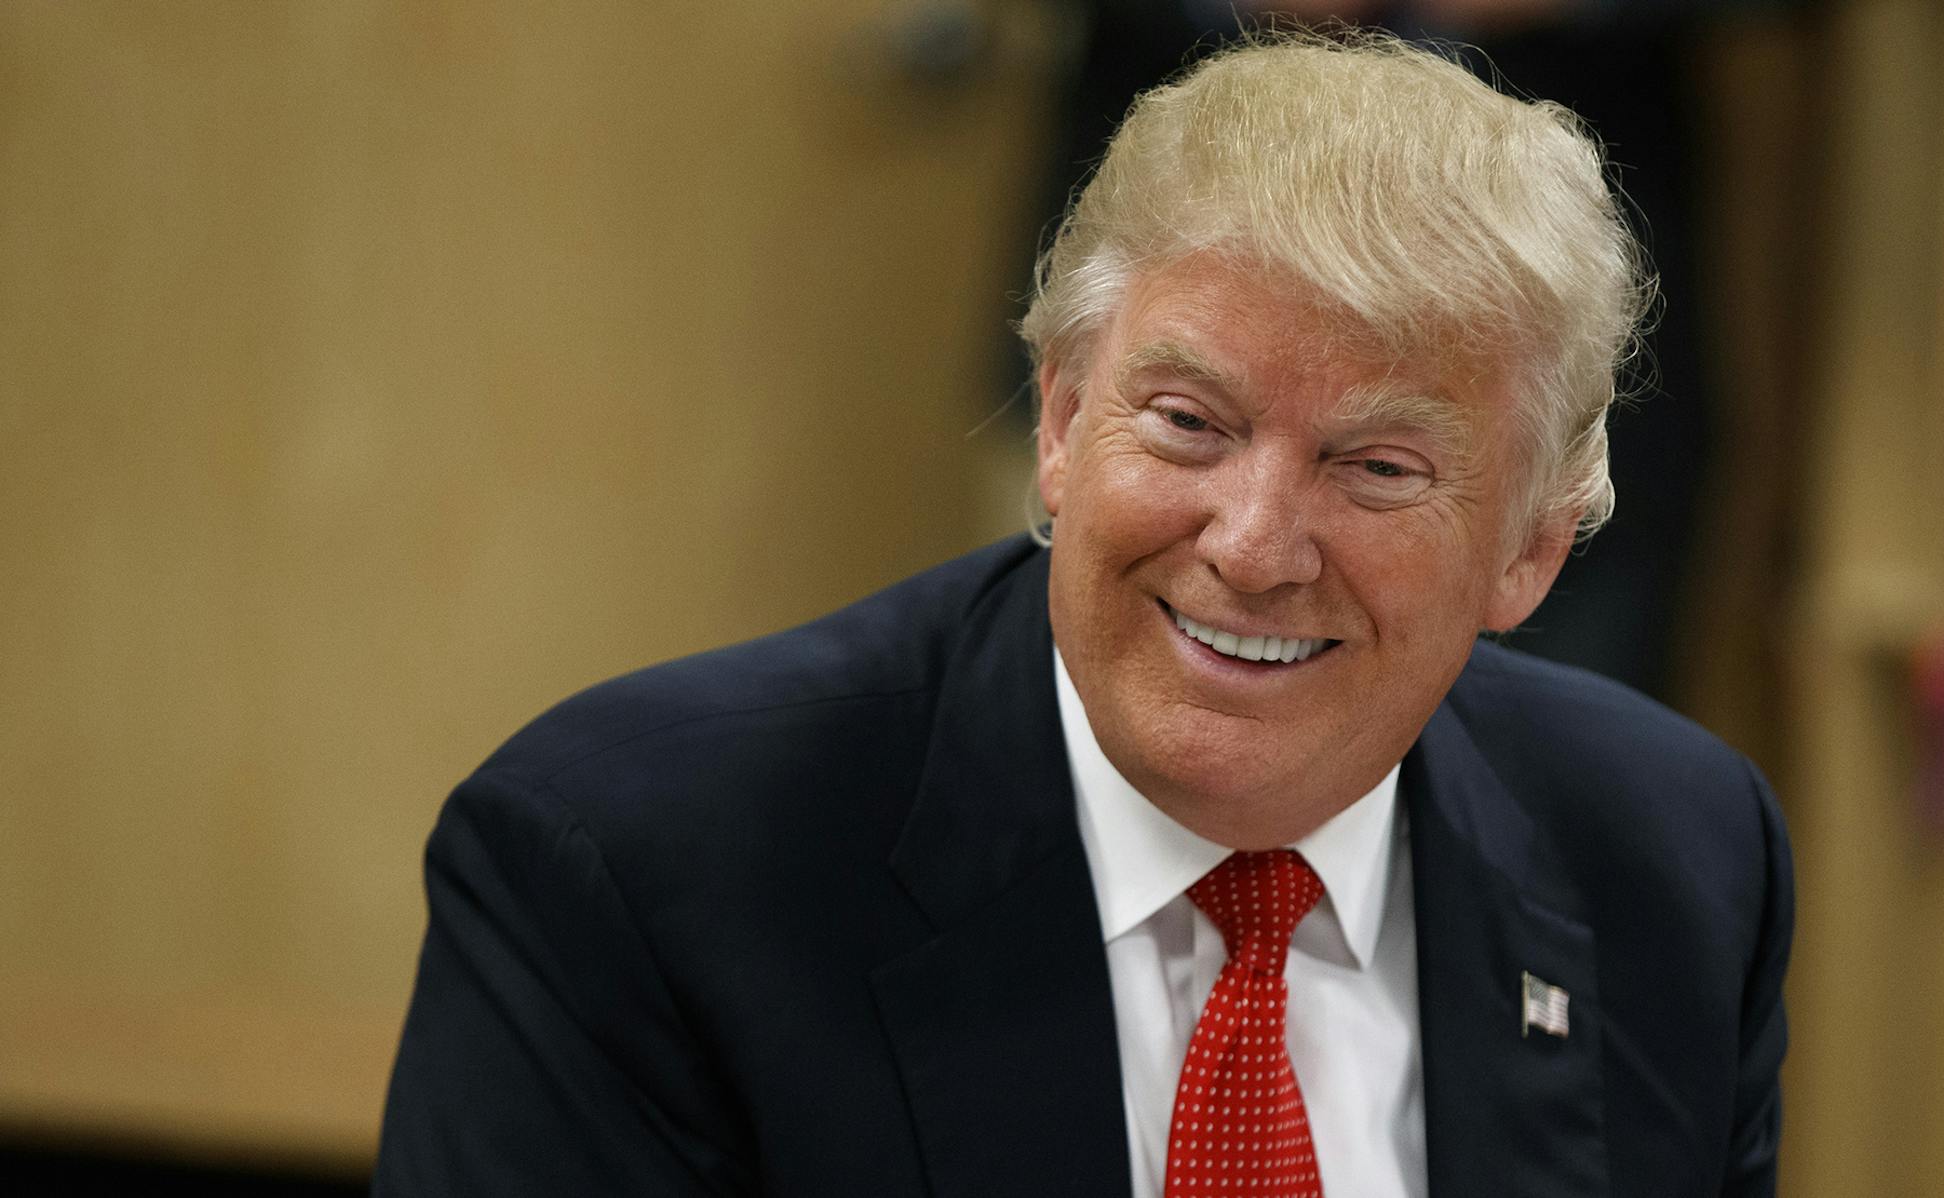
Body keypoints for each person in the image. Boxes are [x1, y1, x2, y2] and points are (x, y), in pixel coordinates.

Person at [374, 30, 1791, 1198]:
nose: (1250, 545)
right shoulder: (633, 876)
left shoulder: (1671, 866)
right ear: (1059, 421)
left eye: (1376, 467)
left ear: (1533, 551)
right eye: (1186, 423)